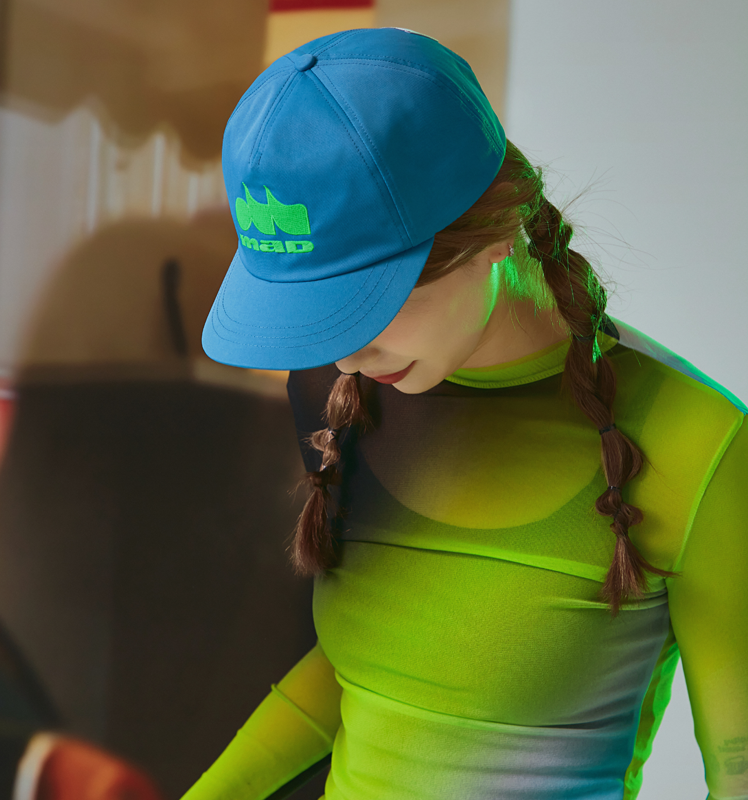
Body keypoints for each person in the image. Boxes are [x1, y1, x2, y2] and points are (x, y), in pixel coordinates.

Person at [180, 27, 748, 800]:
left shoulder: (697, 444)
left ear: (494, 233)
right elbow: (364, 683)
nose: (344, 353)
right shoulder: (345, 397)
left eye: (369, 300)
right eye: (319, 312)